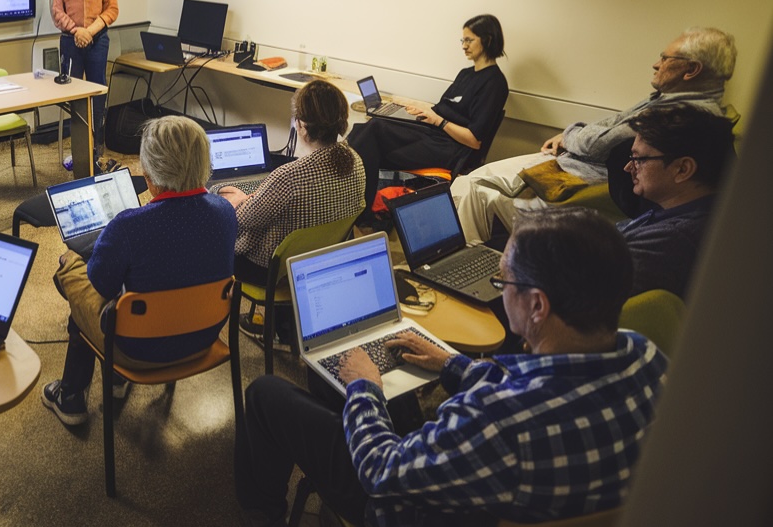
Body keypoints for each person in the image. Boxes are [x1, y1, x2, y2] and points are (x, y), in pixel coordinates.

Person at [236, 207, 668, 527]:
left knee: (267, 393)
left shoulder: (493, 419)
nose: (501, 292)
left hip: (406, 509)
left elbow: (381, 473)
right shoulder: (648, 359)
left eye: (504, 282)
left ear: (538, 306)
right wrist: (454, 366)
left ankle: (262, 511)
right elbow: (534, 386)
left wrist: (365, 389)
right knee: (393, 397)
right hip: (523, 495)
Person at [453, 27, 737, 244]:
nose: (656, 64)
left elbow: (598, 146)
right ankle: (473, 263)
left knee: (467, 186)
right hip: (571, 160)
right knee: (474, 191)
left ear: (692, 69)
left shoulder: (677, 114)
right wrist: (571, 135)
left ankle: (462, 271)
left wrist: (570, 135)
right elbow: (608, 125)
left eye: (665, 58)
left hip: (575, 176)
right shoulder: (668, 98)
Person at [42, 115, 237, 425]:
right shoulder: (225, 212)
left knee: (72, 269)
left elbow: (102, 288)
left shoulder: (128, 225)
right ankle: (116, 384)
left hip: (137, 349)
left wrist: (76, 261)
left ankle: (71, 398)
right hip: (204, 338)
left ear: (149, 174)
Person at [215, 79, 365, 342]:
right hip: (318, 259)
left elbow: (240, 222)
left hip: (269, 270)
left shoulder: (289, 177)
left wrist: (240, 200)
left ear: (302, 126)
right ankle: (281, 326)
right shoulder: (355, 161)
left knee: (215, 223)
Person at [346, 14, 509, 210]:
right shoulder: (466, 74)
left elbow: (474, 140)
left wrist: (438, 121)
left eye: (469, 40)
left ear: (488, 40)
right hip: (433, 134)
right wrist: (418, 109)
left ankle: (358, 208)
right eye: (462, 40)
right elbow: (443, 108)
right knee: (368, 128)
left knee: (373, 134)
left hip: (451, 148)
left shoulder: (494, 83)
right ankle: (356, 202)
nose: (464, 45)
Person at [617, 103, 734, 300]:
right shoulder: (697, 209)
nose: (628, 167)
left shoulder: (669, 241)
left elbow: (576, 295)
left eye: (639, 159)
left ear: (682, 169)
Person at [51, 0, 119, 162]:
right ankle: (77, 146)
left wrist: (89, 31)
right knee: (71, 91)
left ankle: (95, 144)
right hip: (70, 40)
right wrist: (77, 30)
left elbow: (112, 9)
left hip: (97, 40)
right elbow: (57, 11)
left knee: (97, 89)